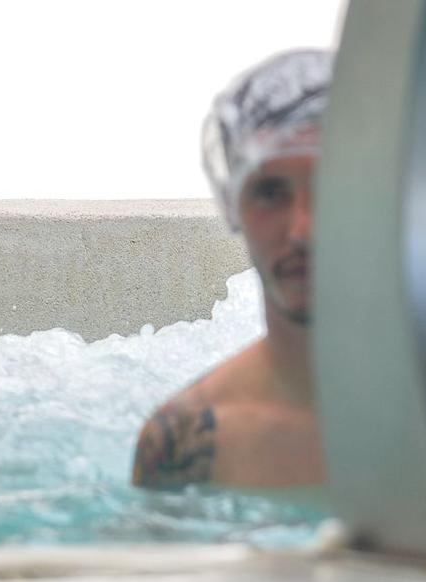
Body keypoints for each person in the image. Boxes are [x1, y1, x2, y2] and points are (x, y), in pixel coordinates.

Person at [132, 51, 332, 494]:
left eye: (331, 184)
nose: (303, 229)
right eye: (270, 192)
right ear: (233, 206)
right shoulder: (187, 442)